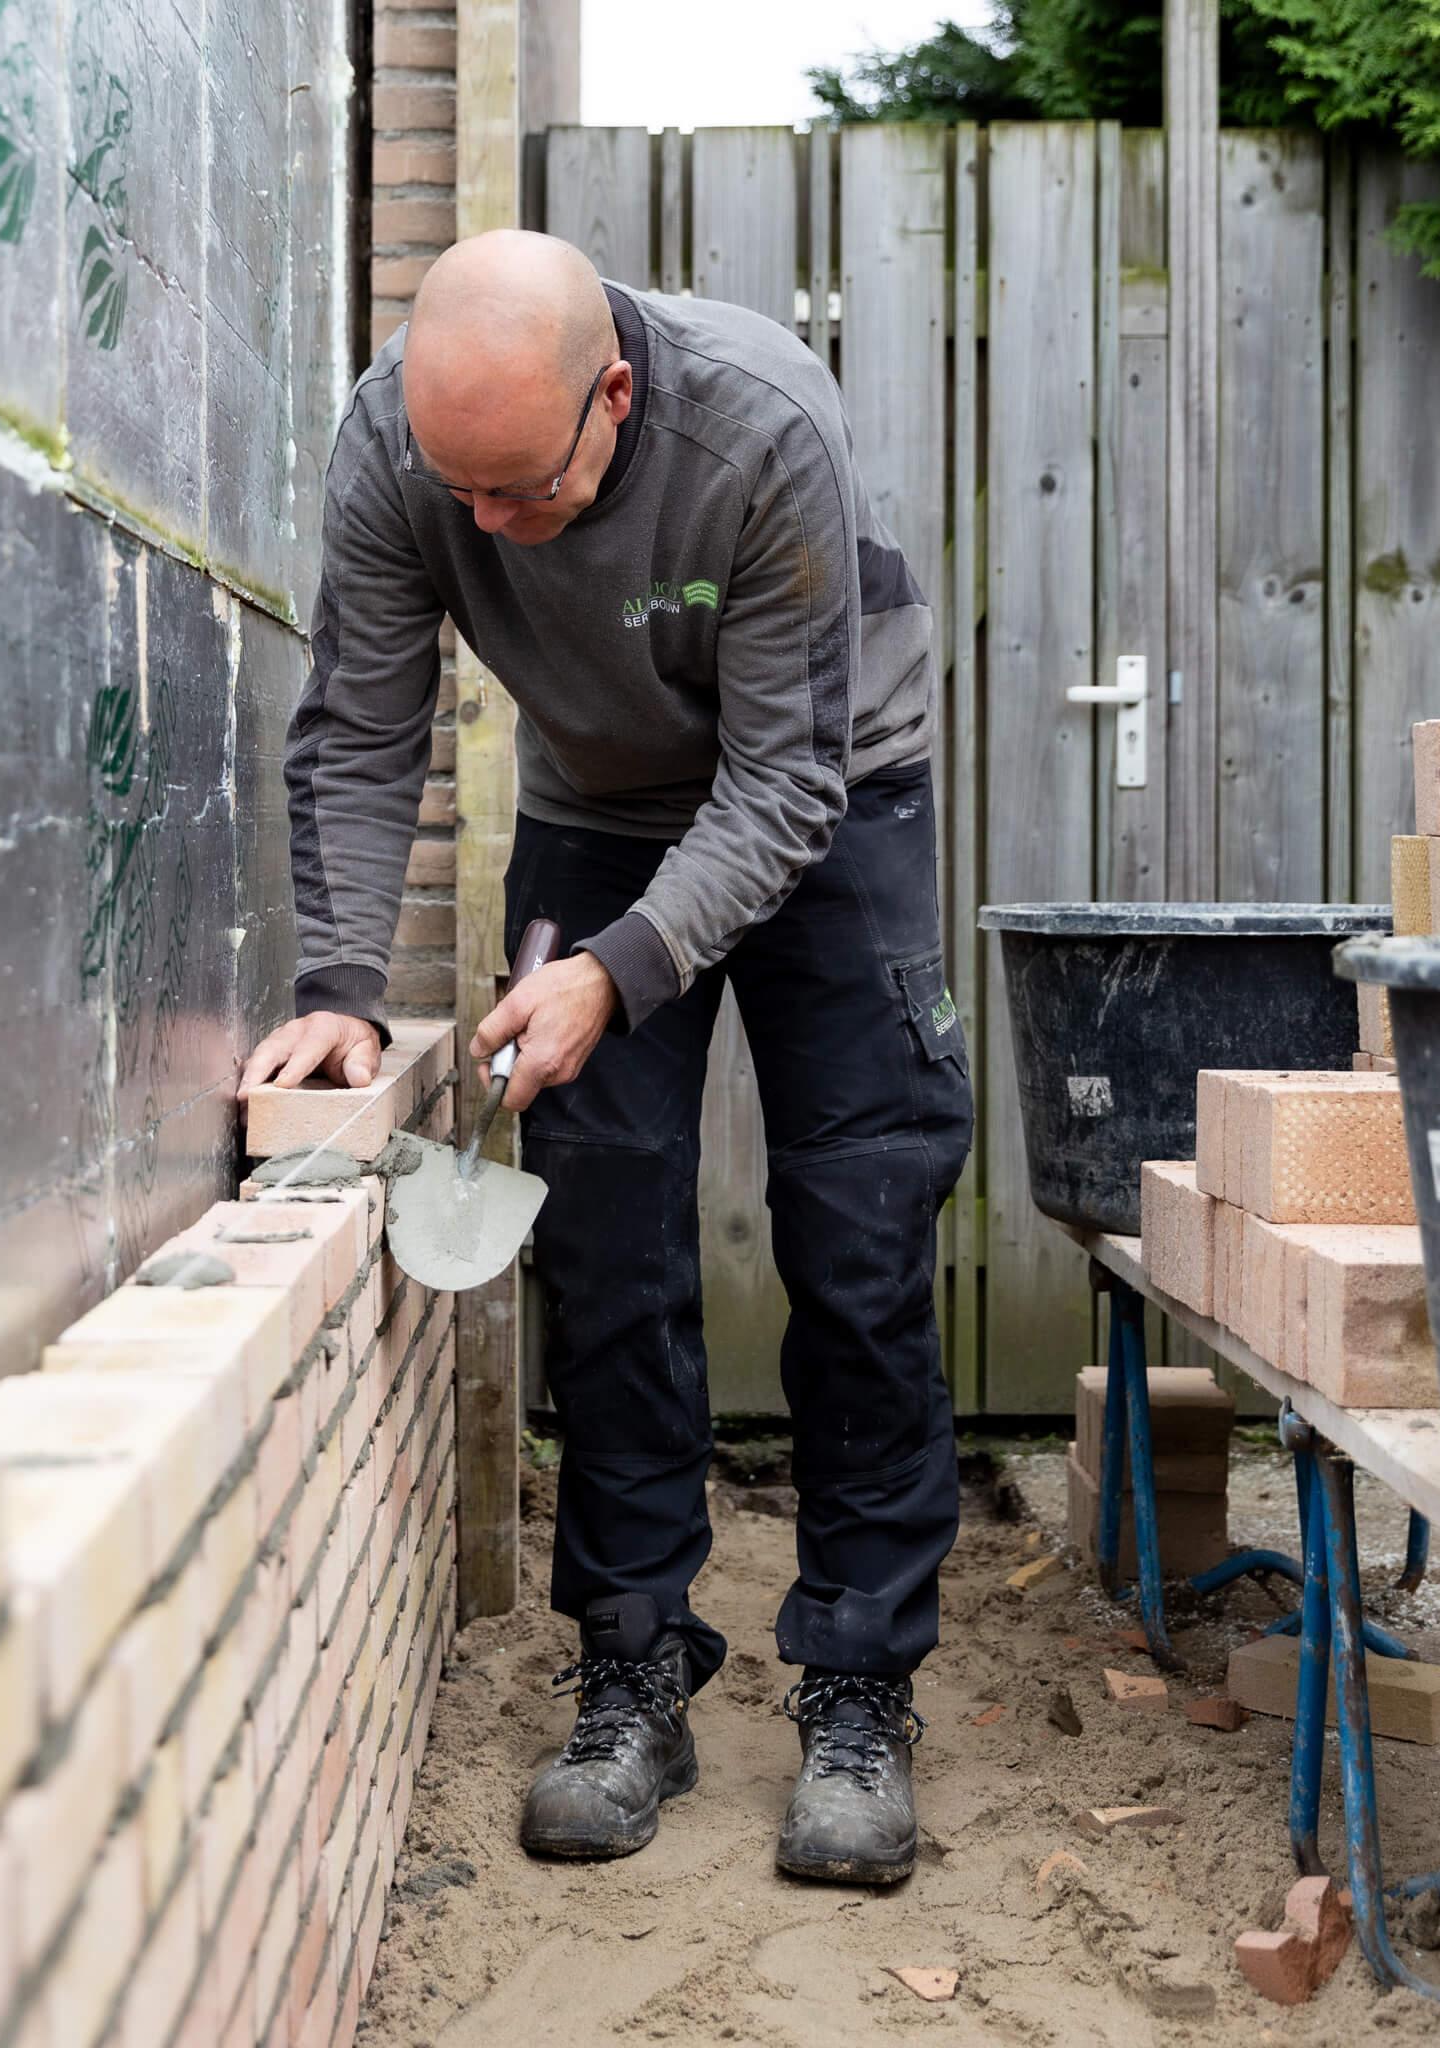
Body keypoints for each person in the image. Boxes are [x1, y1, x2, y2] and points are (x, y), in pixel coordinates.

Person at [237, 229, 972, 1885]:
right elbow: (363, 723)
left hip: (833, 792)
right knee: (609, 1232)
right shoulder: (401, 448)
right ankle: (635, 1660)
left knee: (858, 1231)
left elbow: (782, 789)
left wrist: (618, 977)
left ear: (616, 398)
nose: (488, 531)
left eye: (522, 492)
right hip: (596, 805)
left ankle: (858, 1683)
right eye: (459, 491)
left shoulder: (761, 429)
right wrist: (346, 979)